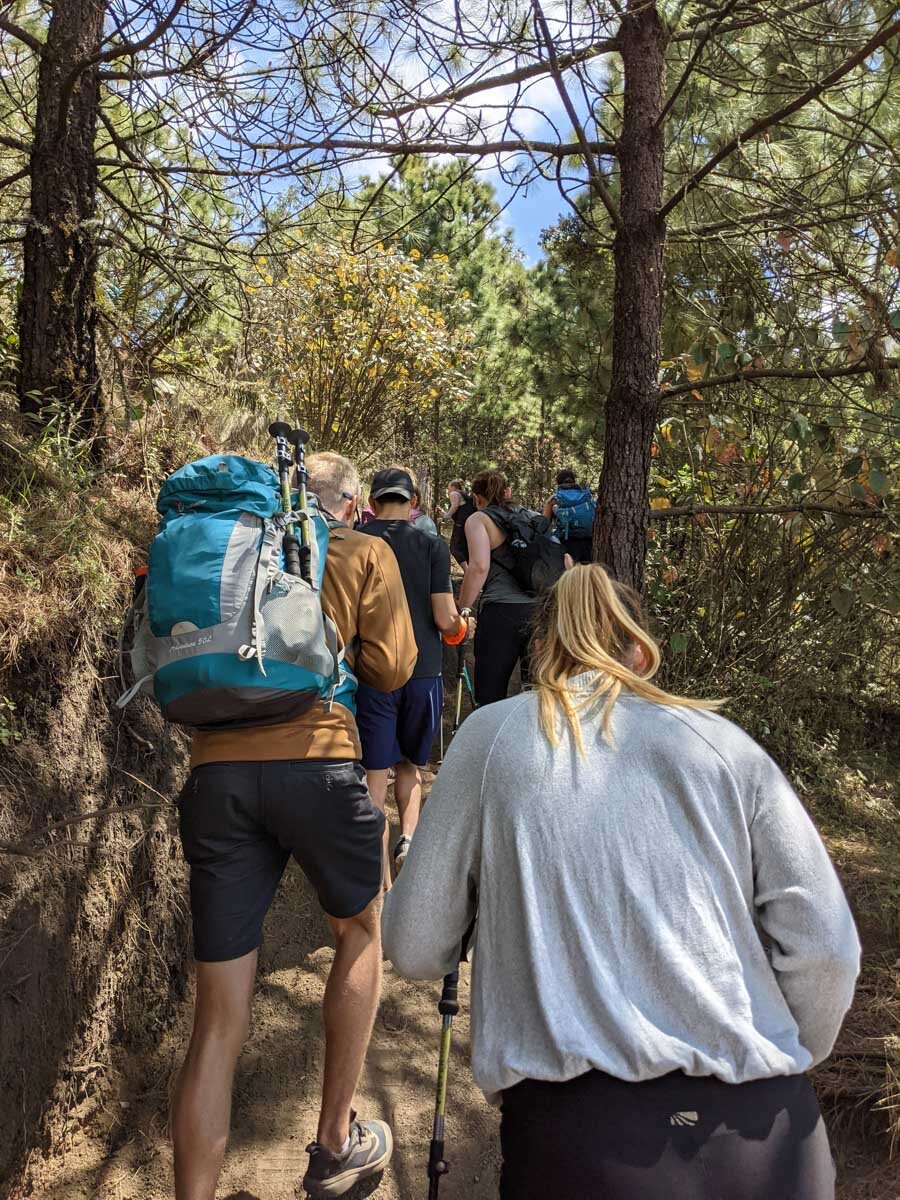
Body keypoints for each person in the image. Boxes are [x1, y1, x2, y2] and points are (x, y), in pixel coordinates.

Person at [383, 564, 860, 1200]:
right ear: (639, 651)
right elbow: (827, 947)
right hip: (772, 1136)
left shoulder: (491, 738)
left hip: (583, 1141)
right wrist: (782, 1051)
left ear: (544, 652)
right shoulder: (723, 744)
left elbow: (415, 946)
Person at [171, 451, 418, 1200]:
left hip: (216, 776)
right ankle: (336, 1142)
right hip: (319, 760)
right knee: (360, 931)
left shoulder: (223, 546)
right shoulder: (359, 549)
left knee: (217, 1017)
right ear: (347, 503)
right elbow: (393, 669)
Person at [356, 467, 471, 884]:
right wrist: (462, 628)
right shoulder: (431, 545)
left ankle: (377, 874)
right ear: (414, 503)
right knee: (410, 767)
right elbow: (445, 618)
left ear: (371, 503)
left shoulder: (357, 542)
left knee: (374, 775)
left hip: (372, 672)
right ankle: (408, 840)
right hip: (423, 671)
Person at [457, 469, 535, 707]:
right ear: (507, 492)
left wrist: (463, 608)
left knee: (490, 694)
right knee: (539, 694)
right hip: (541, 611)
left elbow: (479, 567)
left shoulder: (478, 520)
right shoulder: (530, 516)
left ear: (476, 497)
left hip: (501, 611)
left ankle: (489, 740)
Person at [542, 467, 595, 564]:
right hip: (589, 541)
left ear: (558, 483)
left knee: (570, 573)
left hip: (567, 541)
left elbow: (544, 524)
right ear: (574, 481)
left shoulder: (554, 499)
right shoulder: (586, 496)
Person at [442, 479, 476, 568]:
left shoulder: (454, 493)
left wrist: (445, 517)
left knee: (454, 548)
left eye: (448, 488)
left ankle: (467, 570)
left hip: (461, 524)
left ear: (453, 487)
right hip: (467, 524)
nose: (448, 490)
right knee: (464, 547)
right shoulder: (463, 495)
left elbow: (455, 506)